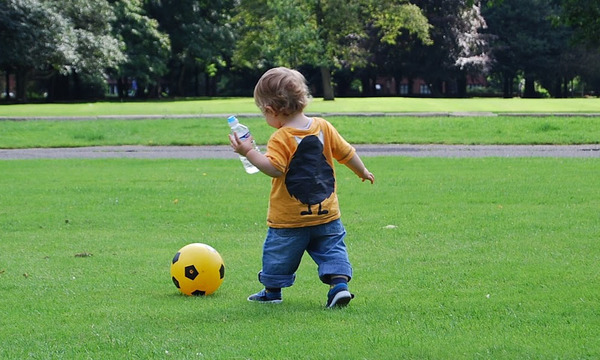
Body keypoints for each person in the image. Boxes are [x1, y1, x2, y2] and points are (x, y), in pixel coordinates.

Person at [229, 67, 375, 308]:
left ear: (270, 110)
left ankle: (272, 291)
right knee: (332, 250)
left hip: (288, 220)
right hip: (327, 214)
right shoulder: (323, 126)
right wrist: (363, 171)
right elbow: (347, 153)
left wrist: (248, 151)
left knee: (278, 254)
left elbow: (274, 168)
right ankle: (339, 286)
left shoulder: (281, 137)